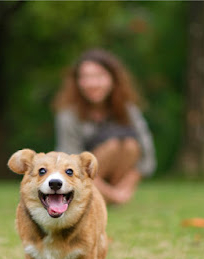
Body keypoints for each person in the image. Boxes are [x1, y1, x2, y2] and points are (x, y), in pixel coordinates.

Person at [53, 48, 156, 205]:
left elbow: (147, 156)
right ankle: (99, 197)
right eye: (85, 77)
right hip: (81, 179)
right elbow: (68, 162)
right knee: (113, 145)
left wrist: (126, 188)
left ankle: (104, 198)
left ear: (113, 79)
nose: (92, 83)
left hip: (118, 176)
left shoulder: (128, 109)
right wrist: (114, 195)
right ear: (77, 81)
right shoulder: (68, 114)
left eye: (99, 76)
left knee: (130, 145)